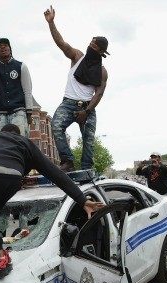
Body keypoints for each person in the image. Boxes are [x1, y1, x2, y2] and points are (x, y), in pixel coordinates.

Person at [0, 124, 103, 273]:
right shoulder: (26, 143)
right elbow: (54, 173)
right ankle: (0, 253)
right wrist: (82, 200)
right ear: (19, 134)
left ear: (3, 133)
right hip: (13, 180)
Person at [44, 6, 108, 172]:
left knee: (88, 138)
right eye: (91, 42)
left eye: (94, 46)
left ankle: (87, 169)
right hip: (68, 103)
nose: (90, 46)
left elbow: (99, 93)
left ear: (101, 52)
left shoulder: (102, 71)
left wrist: (86, 111)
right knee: (56, 125)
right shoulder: (78, 57)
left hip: (88, 107)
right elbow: (61, 43)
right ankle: (68, 161)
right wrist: (51, 23)